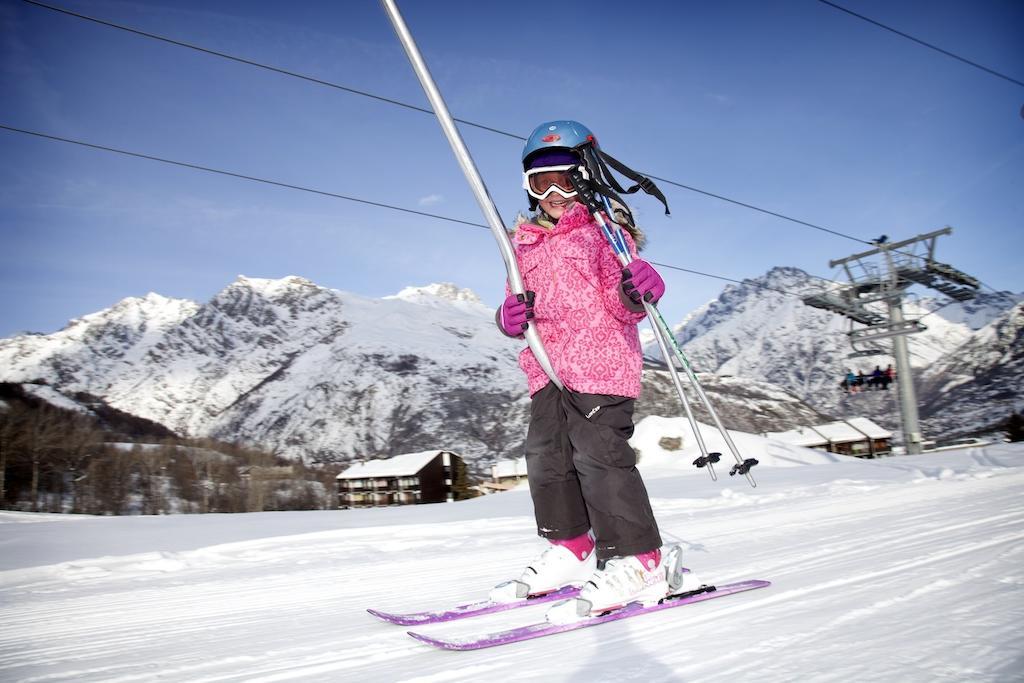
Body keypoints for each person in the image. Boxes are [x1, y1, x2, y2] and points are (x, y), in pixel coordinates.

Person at [489, 120, 688, 619]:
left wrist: (635, 289)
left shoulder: (606, 233)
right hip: (547, 369)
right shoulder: (524, 242)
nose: (555, 192)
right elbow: (515, 302)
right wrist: (507, 318)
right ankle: (572, 547)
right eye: (541, 182)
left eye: (566, 179)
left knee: (600, 459)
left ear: (587, 178)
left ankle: (640, 555)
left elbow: (625, 305)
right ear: (528, 188)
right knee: (546, 458)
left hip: (600, 363)